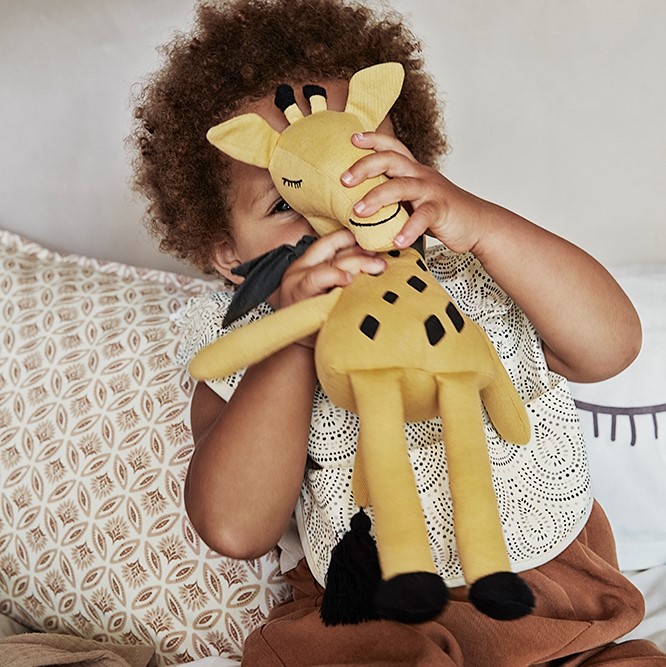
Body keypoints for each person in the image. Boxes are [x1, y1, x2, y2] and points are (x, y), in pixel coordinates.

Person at [131, 0, 666, 664]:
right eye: (286, 203)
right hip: (374, 613)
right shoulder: (251, 341)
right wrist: (295, 340)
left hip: (551, 603)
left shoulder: (476, 268)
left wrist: (480, 222)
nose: (343, 214)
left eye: (372, 173)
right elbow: (235, 526)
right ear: (229, 256)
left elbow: (612, 345)